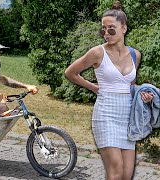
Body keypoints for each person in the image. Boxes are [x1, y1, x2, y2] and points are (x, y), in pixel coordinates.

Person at [65, 1, 153, 179]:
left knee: (127, 175)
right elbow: (71, 73)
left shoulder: (135, 55)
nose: (106, 33)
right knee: (116, 171)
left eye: (111, 29)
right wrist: (95, 88)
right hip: (106, 114)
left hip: (128, 117)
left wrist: (143, 96)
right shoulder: (97, 53)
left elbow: (130, 86)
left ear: (124, 28)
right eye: (103, 29)